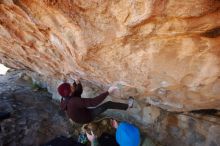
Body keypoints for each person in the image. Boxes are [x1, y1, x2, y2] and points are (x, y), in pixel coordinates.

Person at [57, 78, 134, 124]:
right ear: (69, 92)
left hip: (78, 116)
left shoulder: (64, 98)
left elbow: (77, 92)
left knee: (77, 94)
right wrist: (108, 92)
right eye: (70, 86)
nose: (71, 85)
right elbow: (94, 102)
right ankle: (128, 106)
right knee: (108, 104)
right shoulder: (73, 102)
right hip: (86, 117)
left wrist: (78, 83)